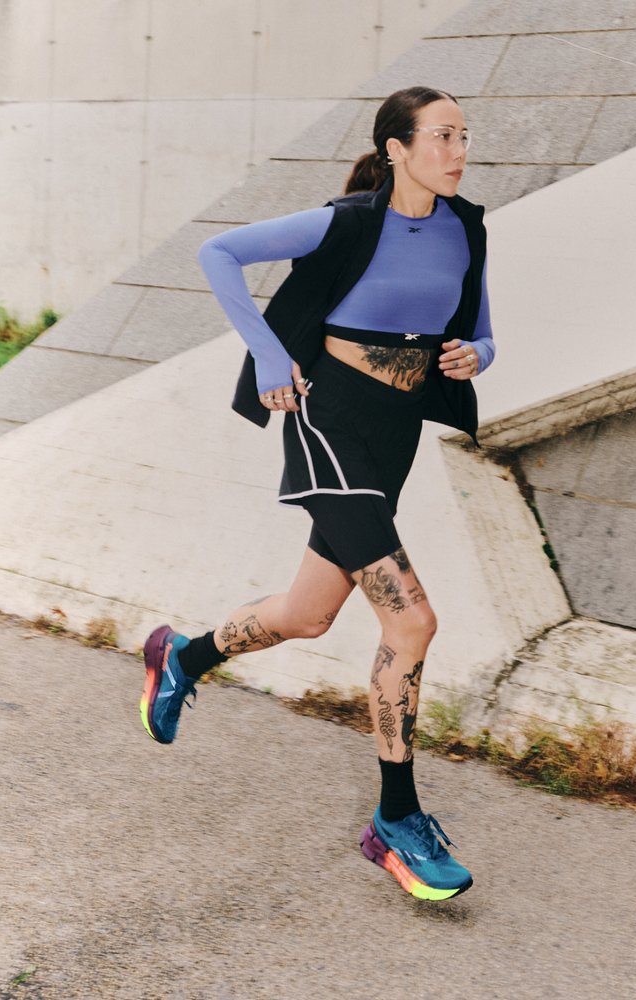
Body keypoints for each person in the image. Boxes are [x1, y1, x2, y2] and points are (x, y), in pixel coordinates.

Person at [139, 86, 494, 902]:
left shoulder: (466, 227)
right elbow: (218, 253)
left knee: (307, 614)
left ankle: (180, 658)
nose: (458, 151)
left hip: (395, 434)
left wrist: (477, 355)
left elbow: (480, 329)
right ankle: (395, 820)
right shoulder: (347, 222)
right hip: (329, 421)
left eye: (464, 136)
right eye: (442, 136)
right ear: (397, 148)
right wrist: (270, 354)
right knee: (412, 620)